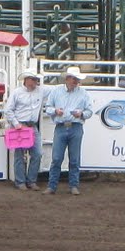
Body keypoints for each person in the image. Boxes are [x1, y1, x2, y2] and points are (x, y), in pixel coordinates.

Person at [45, 65, 92, 195]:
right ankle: (55, 185)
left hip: (74, 126)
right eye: (74, 79)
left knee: (74, 159)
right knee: (57, 158)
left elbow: (89, 111)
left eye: (77, 79)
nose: (76, 82)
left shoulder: (83, 93)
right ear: (68, 78)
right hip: (63, 126)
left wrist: (81, 114)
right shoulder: (56, 91)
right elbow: (48, 108)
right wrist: (55, 111)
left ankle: (70, 185)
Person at [3, 68, 45, 189]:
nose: (36, 81)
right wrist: (16, 124)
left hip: (31, 126)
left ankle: (29, 180)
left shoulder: (40, 91)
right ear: (27, 80)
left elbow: (8, 110)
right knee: (20, 155)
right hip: (21, 126)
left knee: (37, 153)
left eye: (36, 79)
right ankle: (22, 181)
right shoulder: (17, 93)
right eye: (33, 79)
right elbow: (8, 110)